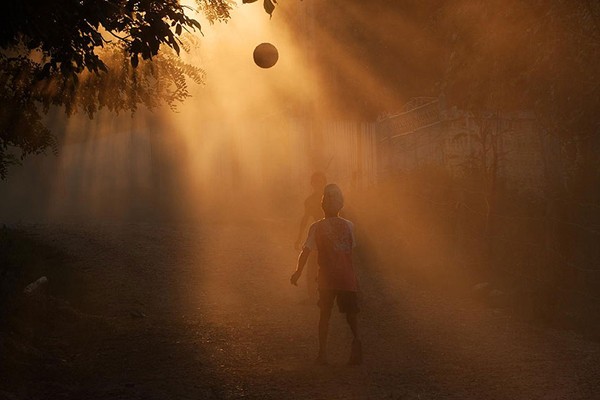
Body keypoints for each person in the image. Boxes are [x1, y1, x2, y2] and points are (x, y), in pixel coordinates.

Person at [290, 183, 362, 365]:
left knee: (325, 316)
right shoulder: (349, 226)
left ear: (322, 205)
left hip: (327, 279)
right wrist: (356, 278)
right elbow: (352, 253)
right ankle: (357, 342)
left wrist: (298, 272)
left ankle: (322, 353)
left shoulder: (316, 227)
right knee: (351, 315)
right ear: (341, 205)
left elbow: (306, 251)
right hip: (347, 278)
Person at [294, 171, 327, 301]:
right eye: (316, 182)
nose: (318, 185)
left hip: (331, 233)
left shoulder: (331, 197)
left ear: (324, 182)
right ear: (312, 184)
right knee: (312, 265)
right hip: (318, 234)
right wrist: (299, 237)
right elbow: (305, 219)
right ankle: (312, 295)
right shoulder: (310, 201)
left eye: (321, 182)